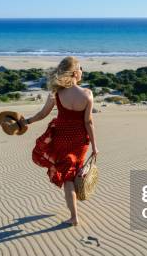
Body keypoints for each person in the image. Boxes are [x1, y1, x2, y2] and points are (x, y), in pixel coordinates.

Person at [23, 56, 98, 226]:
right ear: (74, 72)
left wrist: (27, 122)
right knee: (73, 173)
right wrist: (94, 145)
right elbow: (88, 122)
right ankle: (74, 211)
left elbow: (42, 114)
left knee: (68, 178)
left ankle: (74, 216)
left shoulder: (56, 93)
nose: (82, 71)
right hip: (80, 140)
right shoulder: (87, 94)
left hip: (61, 137)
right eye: (80, 68)